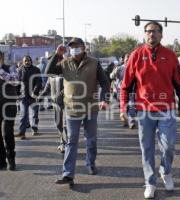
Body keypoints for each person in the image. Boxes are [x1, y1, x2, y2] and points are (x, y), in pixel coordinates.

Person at [120, 22, 180, 199]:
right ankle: (150, 182)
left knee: (168, 145)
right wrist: (123, 108)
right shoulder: (136, 55)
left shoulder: (171, 56)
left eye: (156, 31)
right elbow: (125, 86)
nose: (152, 34)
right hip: (144, 111)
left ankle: (166, 172)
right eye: (149, 31)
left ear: (161, 35)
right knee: (147, 148)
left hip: (167, 109)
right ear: (145, 34)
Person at [45, 37, 110, 186]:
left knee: (91, 139)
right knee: (71, 141)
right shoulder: (64, 63)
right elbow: (49, 72)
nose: (74, 49)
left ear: (83, 48)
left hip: (90, 108)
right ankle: (68, 174)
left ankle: (91, 163)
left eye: (77, 46)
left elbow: (105, 82)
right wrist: (57, 55)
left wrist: (104, 99)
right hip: (72, 108)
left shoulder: (94, 63)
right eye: (71, 47)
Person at [15, 56, 42, 139]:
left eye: (28, 60)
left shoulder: (36, 70)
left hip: (34, 96)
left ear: (31, 61)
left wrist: (35, 92)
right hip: (23, 96)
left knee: (34, 114)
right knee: (23, 115)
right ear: (23, 62)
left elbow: (39, 82)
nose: (27, 62)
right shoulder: (19, 71)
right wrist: (17, 94)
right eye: (25, 61)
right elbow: (17, 83)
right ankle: (22, 133)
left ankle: (34, 130)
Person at [39, 75, 67, 153]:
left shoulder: (65, 75)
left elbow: (69, 86)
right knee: (58, 124)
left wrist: (61, 92)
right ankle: (64, 141)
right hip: (56, 104)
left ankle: (64, 143)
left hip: (66, 103)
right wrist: (41, 96)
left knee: (65, 125)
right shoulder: (51, 77)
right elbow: (47, 88)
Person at [110, 54, 137, 129]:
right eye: (126, 58)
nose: (128, 59)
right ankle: (125, 121)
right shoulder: (120, 68)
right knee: (123, 106)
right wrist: (115, 72)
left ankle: (131, 122)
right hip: (121, 90)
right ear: (123, 59)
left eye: (129, 58)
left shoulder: (134, 68)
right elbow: (111, 76)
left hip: (131, 90)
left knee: (132, 106)